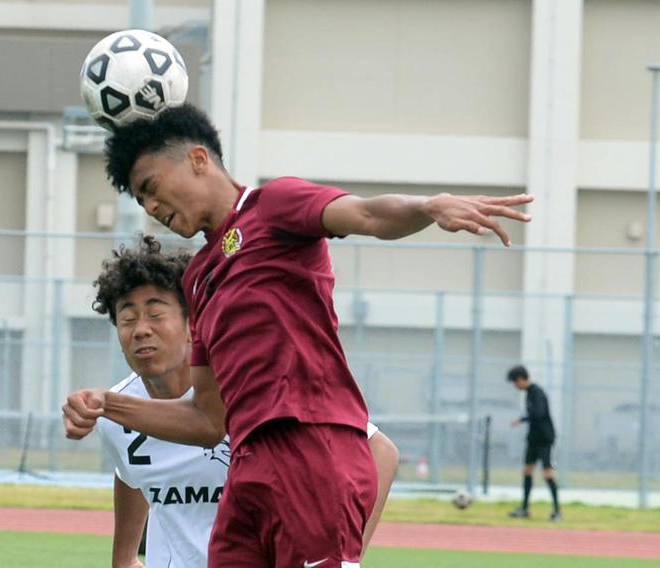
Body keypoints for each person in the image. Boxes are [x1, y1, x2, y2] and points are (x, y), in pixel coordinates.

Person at [63, 103, 533, 567]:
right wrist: (108, 404)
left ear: (198, 159)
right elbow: (208, 419)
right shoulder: (198, 277)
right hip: (248, 469)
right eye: (141, 201)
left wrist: (427, 207)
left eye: (151, 188)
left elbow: (367, 215)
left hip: (314, 449)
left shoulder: (273, 206)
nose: (151, 207)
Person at [91, 235, 399, 568]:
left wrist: (345, 554)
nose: (141, 330)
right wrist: (123, 559)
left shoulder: (252, 386)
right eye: (127, 319)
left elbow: (380, 452)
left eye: (155, 314)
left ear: (193, 324)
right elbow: (131, 473)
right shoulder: (116, 413)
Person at [507, 364, 561, 521]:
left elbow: (539, 413)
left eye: (515, 382)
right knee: (527, 471)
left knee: (547, 473)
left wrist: (522, 419)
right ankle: (524, 509)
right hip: (533, 439)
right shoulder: (528, 393)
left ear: (521, 379)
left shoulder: (537, 392)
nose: (515, 386)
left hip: (545, 439)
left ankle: (557, 511)